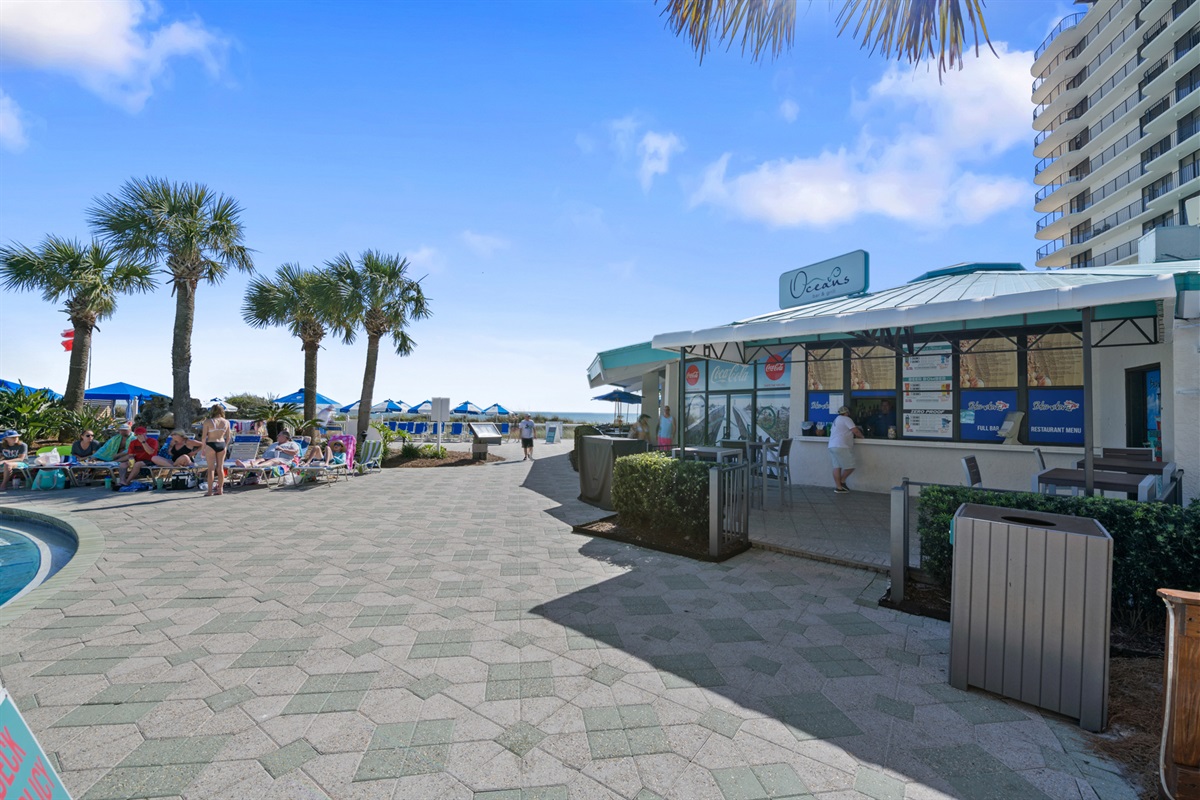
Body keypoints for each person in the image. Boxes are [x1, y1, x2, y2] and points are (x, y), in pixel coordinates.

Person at [828, 405, 863, 494]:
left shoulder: (836, 420)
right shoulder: (847, 419)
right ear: (847, 413)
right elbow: (855, 431)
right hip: (841, 446)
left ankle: (839, 487)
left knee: (837, 467)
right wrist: (862, 436)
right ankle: (842, 481)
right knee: (851, 466)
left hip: (832, 445)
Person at [200, 404, 233, 496]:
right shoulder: (226, 422)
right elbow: (228, 437)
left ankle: (210, 491)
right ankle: (220, 490)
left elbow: (203, 437)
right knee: (220, 468)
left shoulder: (207, 422)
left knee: (211, 468)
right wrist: (225, 446)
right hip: (221, 444)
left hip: (211, 443)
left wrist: (203, 448)